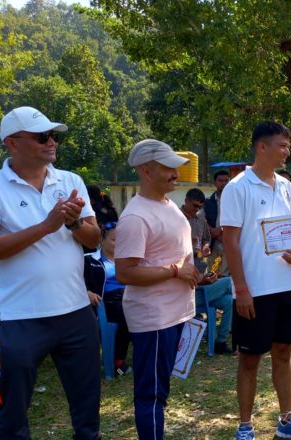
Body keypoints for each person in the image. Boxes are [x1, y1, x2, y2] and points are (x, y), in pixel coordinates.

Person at [0, 106, 101, 438]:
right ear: (12, 143)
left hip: (75, 312)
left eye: (53, 135)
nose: (52, 142)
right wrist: (46, 225)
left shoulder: (70, 181)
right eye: (42, 136)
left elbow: (94, 238)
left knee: (87, 411)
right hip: (20, 318)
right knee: (13, 413)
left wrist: (72, 222)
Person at [221, 122, 291, 440]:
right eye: (281, 145)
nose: (287, 152)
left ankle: (287, 420)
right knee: (250, 359)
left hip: (286, 286)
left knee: (283, 353)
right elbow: (231, 242)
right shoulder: (238, 188)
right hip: (254, 291)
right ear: (260, 147)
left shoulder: (286, 187)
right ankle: (245, 426)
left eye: (288, 146)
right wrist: (241, 289)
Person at [115, 139, 208, 439]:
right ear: (145, 170)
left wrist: (192, 273)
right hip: (155, 318)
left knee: (160, 390)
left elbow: (175, 256)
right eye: (167, 168)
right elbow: (126, 272)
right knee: (151, 395)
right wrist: (175, 272)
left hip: (175, 313)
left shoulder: (168, 205)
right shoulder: (135, 217)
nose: (175, 173)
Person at [183, 187, 234, 355]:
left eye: (199, 207)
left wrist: (205, 247)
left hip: (199, 278)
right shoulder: (177, 219)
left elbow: (206, 239)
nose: (197, 210)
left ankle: (220, 342)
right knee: (230, 283)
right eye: (194, 206)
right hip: (186, 291)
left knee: (228, 301)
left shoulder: (200, 219)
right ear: (186, 201)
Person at [84, 222, 132, 376]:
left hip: (128, 296)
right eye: (114, 239)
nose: (118, 243)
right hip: (106, 302)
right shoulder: (90, 260)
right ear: (101, 240)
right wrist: (87, 292)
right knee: (128, 314)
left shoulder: (127, 260)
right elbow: (76, 282)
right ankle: (117, 361)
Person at [204, 170, 230, 275]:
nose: (223, 183)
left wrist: (220, 231)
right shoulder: (208, 202)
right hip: (213, 244)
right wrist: (212, 231)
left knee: (226, 275)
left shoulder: (234, 200)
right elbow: (202, 219)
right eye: (220, 180)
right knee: (212, 273)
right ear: (215, 182)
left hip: (228, 243)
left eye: (226, 181)